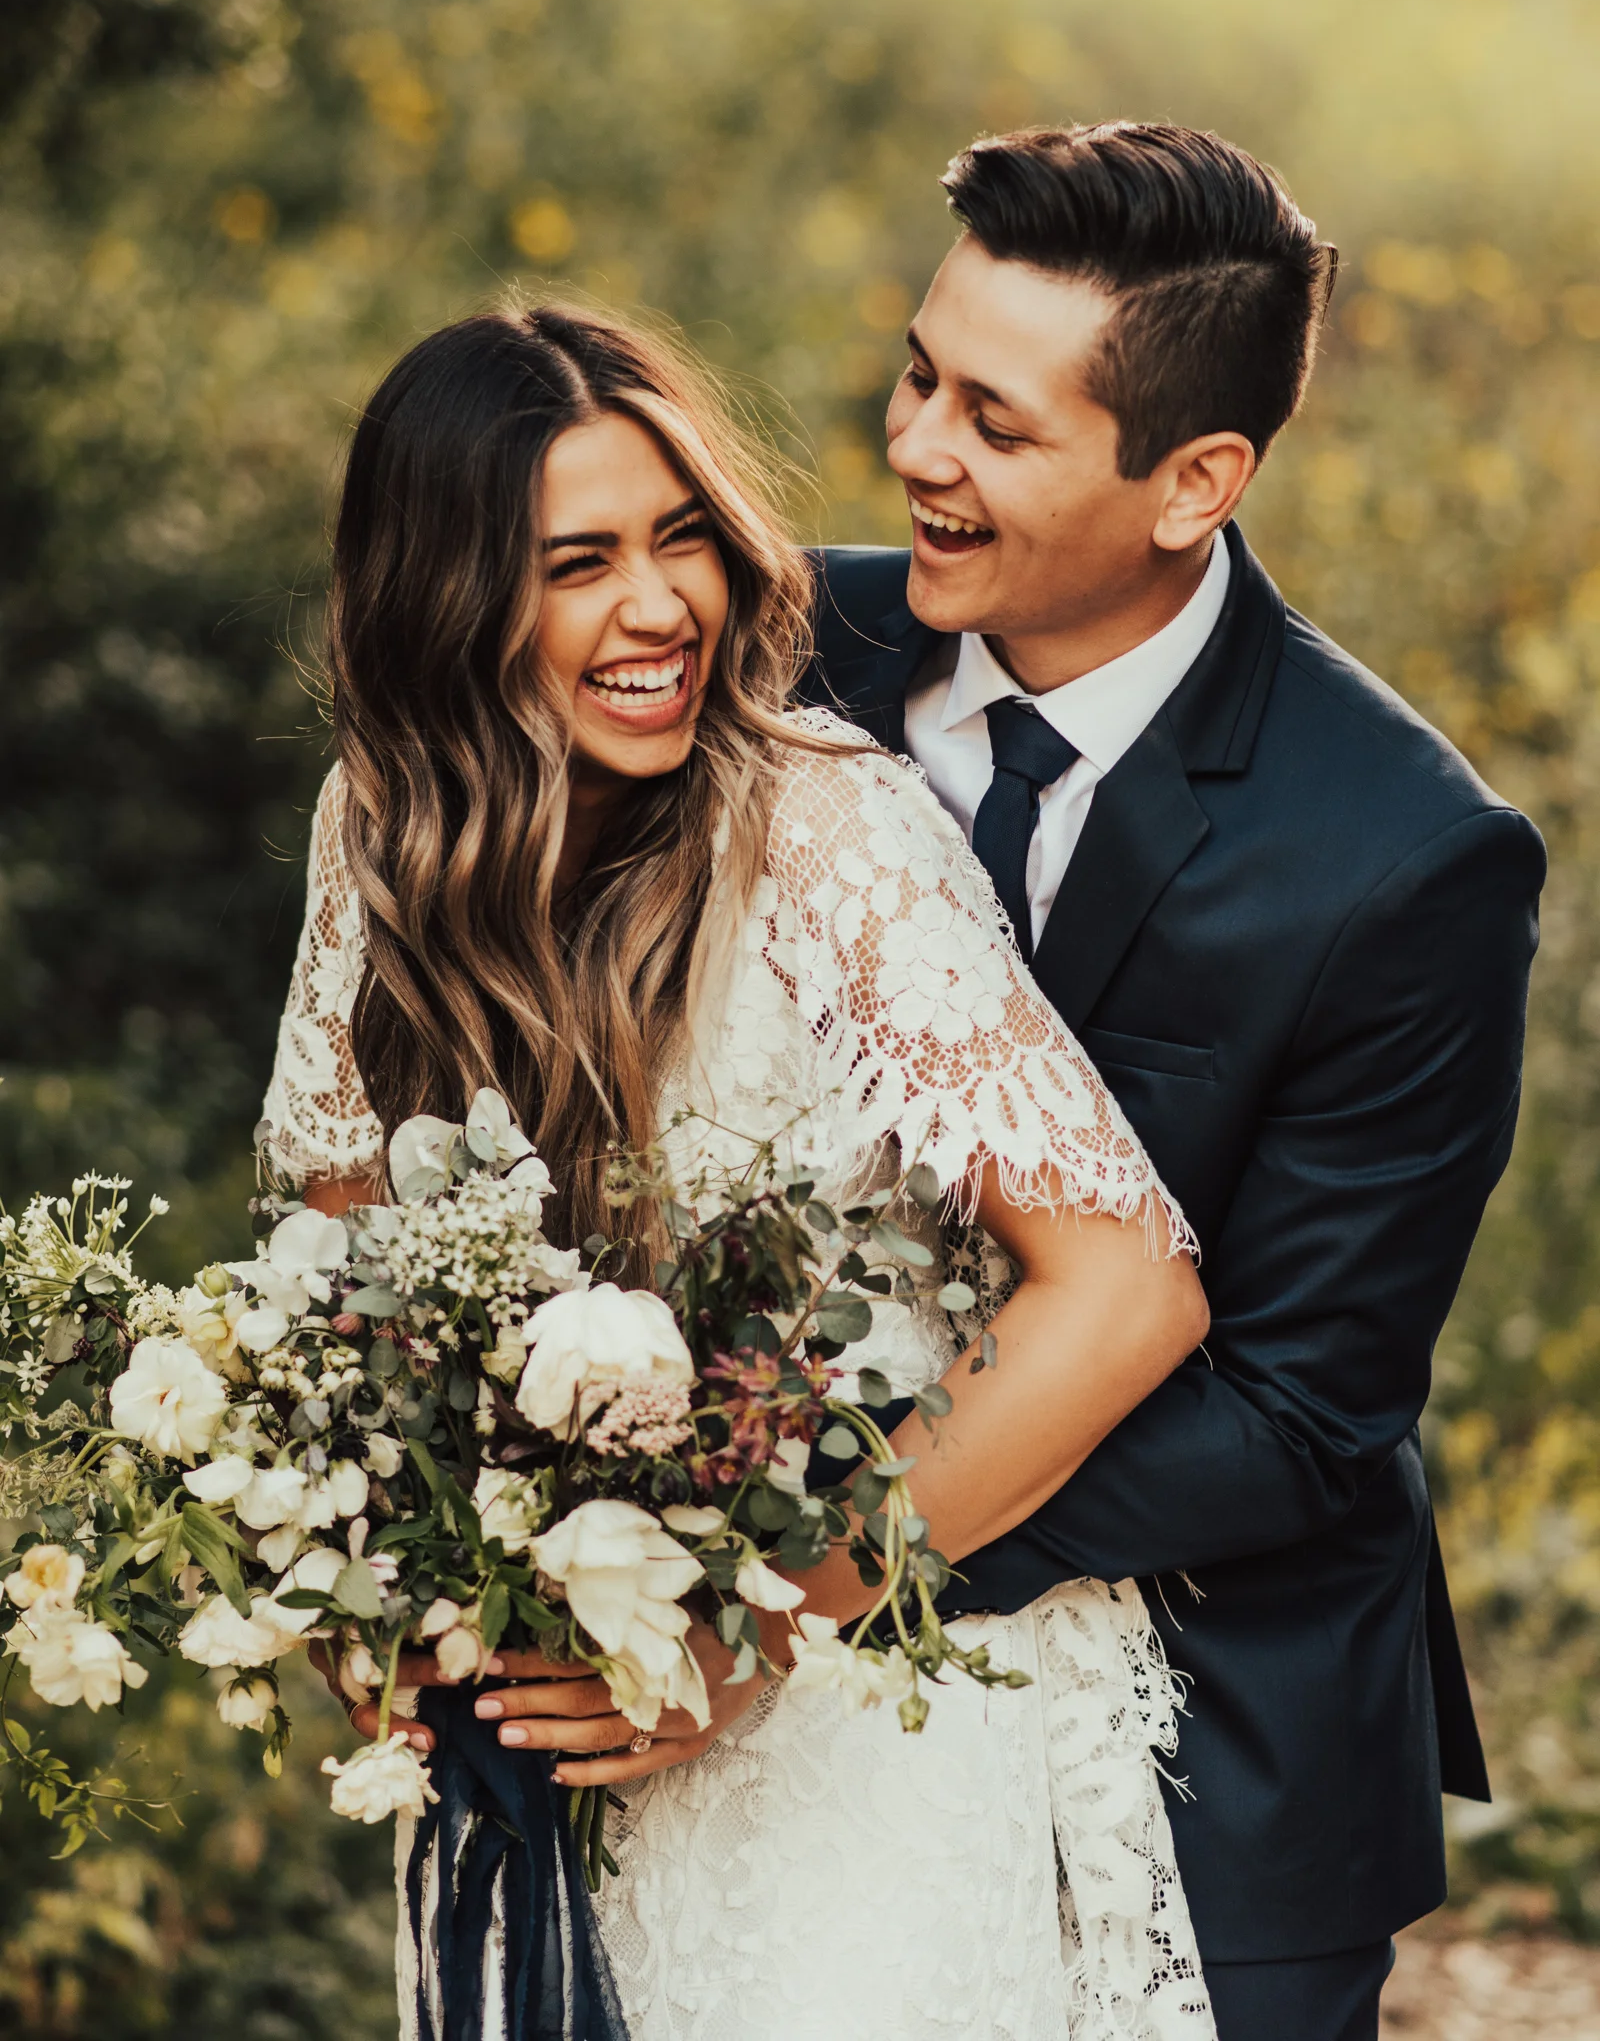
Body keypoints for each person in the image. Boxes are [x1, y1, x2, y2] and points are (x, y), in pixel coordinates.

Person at [264, 300, 1215, 2040]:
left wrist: (748, 1635)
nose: (659, 608)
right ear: (445, 602)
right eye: (578, 564)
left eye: (680, 534)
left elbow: (1126, 1289)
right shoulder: (380, 826)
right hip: (542, 1728)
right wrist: (383, 1596)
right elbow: (345, 1251)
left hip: (855, 1713)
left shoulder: (820, 823)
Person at [789, 122, 1546, 2041]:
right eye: (919, 374)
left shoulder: (1405, 853)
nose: (918, 454)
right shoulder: (770, 655)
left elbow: (1305, 1410)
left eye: (1000, 425)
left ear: (1197, 478)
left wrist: (824, 1554)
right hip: (773, 1725)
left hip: (1215, 1717)